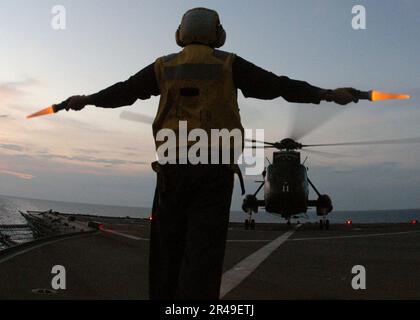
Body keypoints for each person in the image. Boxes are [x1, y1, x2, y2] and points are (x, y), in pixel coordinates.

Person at [60, 7, 359, 299]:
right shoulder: (229, 64)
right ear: (218, 35)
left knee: (166, 254)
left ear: (180, 34)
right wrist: (326, 94)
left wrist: (87, 100)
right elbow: (278, 86)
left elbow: (123, 91)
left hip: (172, 172)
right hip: (213, 173)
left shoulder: (163, 66)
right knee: (203, 257)